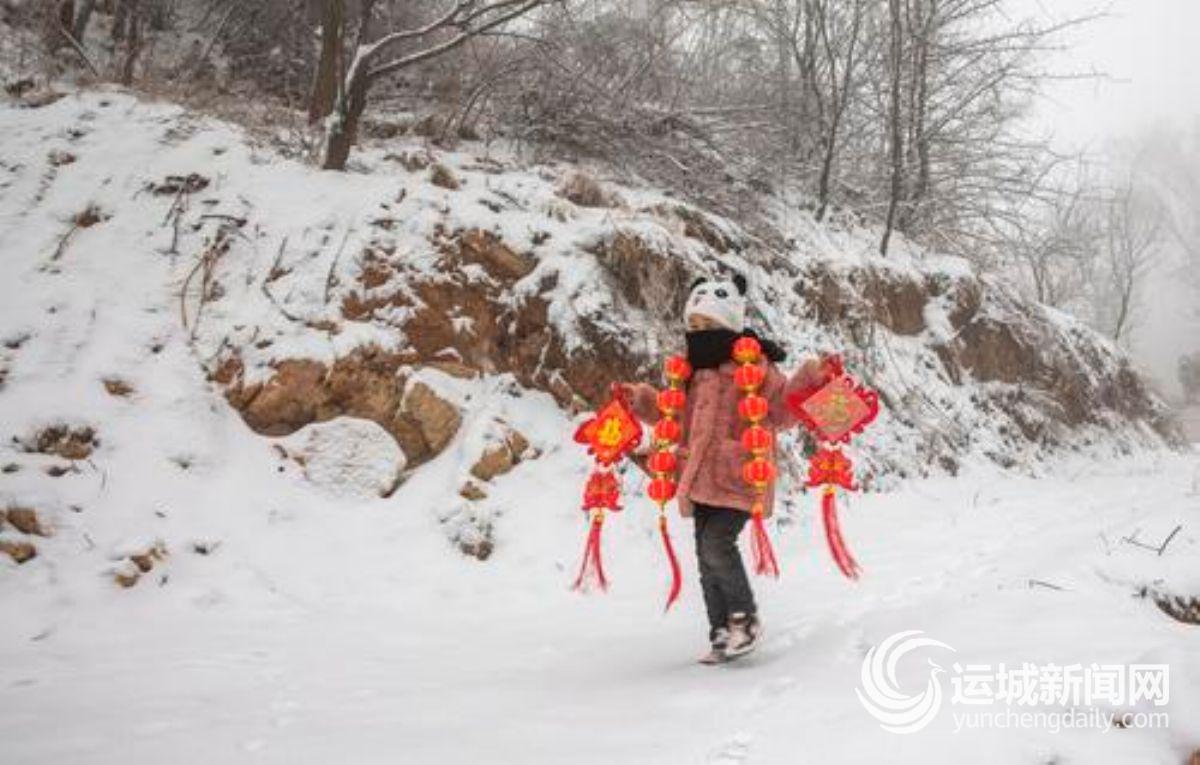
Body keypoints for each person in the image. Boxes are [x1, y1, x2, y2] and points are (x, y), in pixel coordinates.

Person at [620, 275, 827, 664]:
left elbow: (781, 411)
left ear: (729, 323)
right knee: (704, 555)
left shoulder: (756, 369)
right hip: (698, 477)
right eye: (694, 325)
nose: (700, 333)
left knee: (717, 544)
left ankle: (744, 620)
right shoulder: (693, 374)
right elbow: (671, 416)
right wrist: (641, 400)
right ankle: (720, 631)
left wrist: (809, 380)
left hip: (740, 477)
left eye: (709, 325)